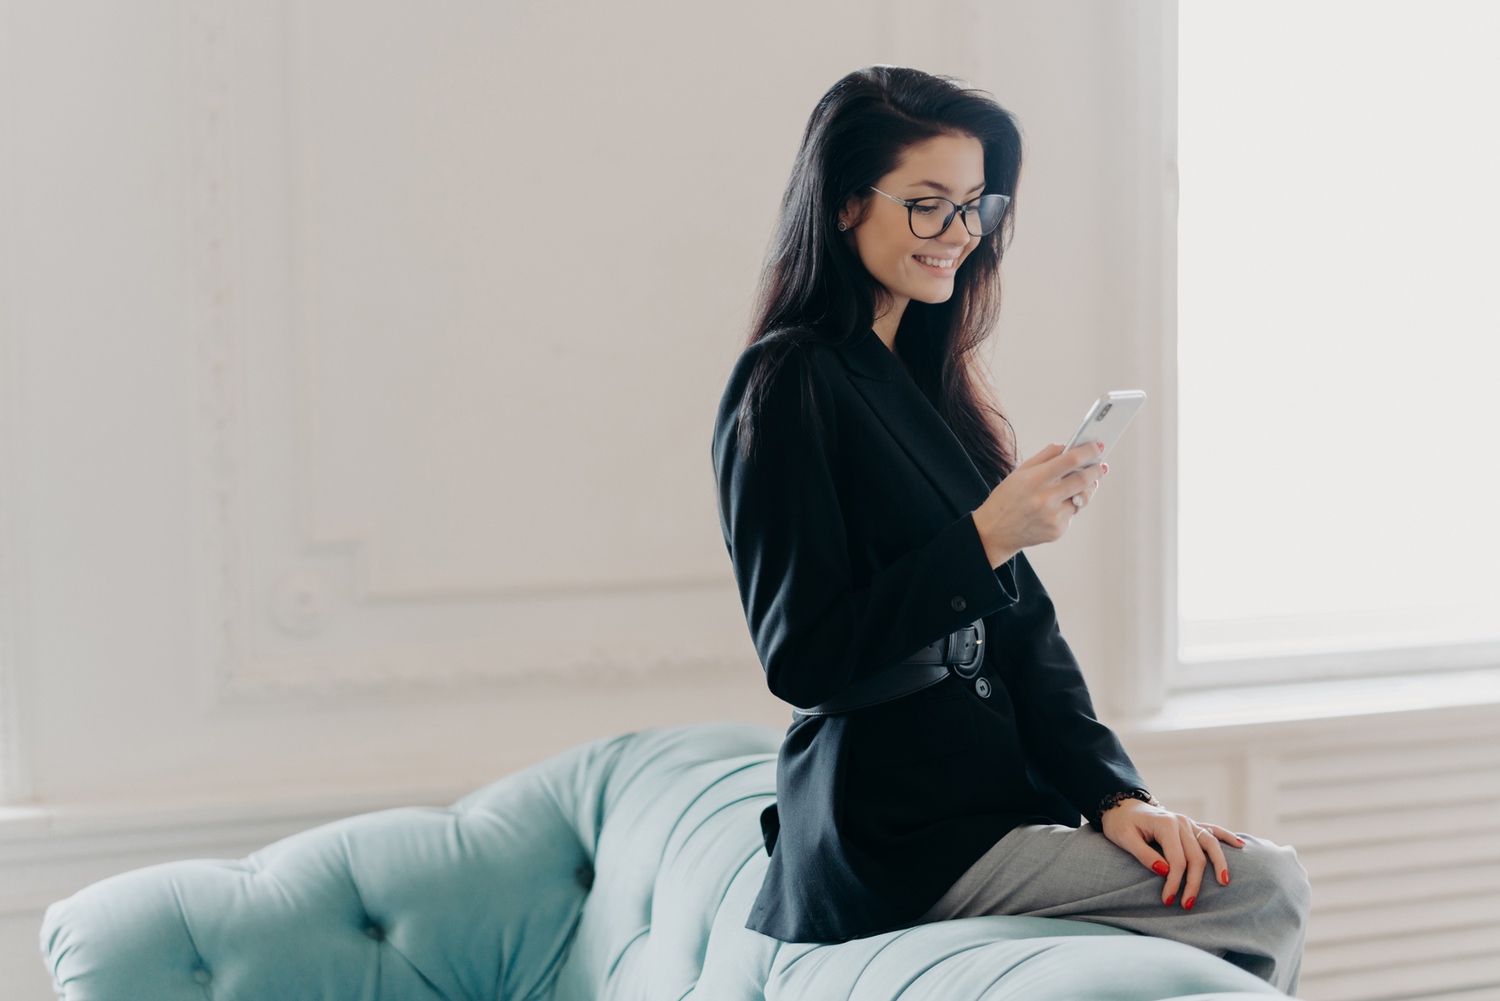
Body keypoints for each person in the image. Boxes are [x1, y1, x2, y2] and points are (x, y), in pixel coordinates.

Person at [709, 65, 1312, 994]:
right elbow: (804, 658)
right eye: (926, 205)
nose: (957, 234)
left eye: (972, 206)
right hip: (891, 829)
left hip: (985, 803)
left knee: (1234, 868)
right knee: (1263, 886)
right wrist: (985, 536)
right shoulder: (788, 382)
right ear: (840, 205)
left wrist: (1115, 794)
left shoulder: (925, 379)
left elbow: (1024, 629)